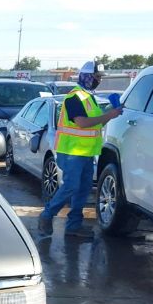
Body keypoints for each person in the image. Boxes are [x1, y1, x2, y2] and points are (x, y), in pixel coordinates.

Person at [37, 61, 123, 238]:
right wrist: (109, 114)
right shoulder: (74, 97)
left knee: (83, 189)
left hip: (85, 153)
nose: (99, 80)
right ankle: (47, 215)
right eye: (97, 77)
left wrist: (113, 113)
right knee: (71, 186)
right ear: (87, 76)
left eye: (100, 77)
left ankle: (73, 226)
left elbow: (97, 123)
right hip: (71, 152)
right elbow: (81, 122)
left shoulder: (89, 98)